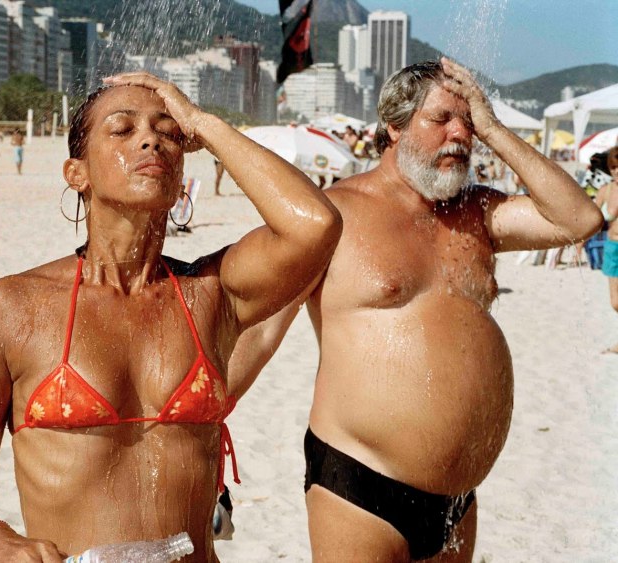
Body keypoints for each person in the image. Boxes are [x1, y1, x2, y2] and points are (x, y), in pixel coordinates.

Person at [0, 72, 341, 562]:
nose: (150, 139)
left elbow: (314, 225)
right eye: (122, 129)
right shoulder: (14, 307)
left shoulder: (210, 295)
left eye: (168, 133)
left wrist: (202, 124)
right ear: (76, 172)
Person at [228, 58, 602, 562]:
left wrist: (496, 129)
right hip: (359, 485)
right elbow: (261, 335)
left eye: (469, 122)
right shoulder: (333, 216)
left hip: (458, 501)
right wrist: (203, 426)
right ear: (394, 126)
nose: (460, 134)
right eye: (442, 118)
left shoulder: (478, 214)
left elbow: (580, 218)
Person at [592, 146, 618, 353]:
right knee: (616, 302)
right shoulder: (606, 190)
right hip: (612, 247)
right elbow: (590, 217)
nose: (617, 170)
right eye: (614, 166)